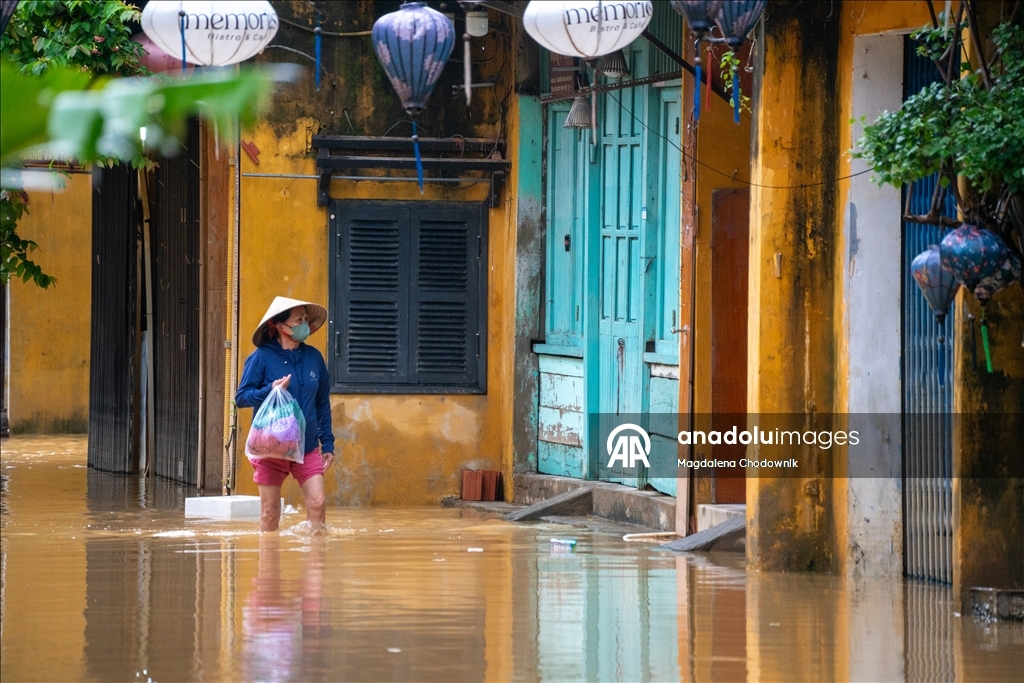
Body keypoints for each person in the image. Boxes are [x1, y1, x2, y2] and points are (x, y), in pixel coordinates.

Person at [237, 296, 335, 532]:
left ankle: (315, 564)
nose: (305, 324)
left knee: (318, 503)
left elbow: (322, 403)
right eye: (298, 319)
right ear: (280, 326)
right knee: (270, 513)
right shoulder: (261, 358)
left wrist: (328, 444)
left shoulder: (314, 358)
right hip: (271, 448)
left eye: (305, 318)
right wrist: (269, 390)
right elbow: (241, 398)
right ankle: (268, 566)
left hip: (308, 446)